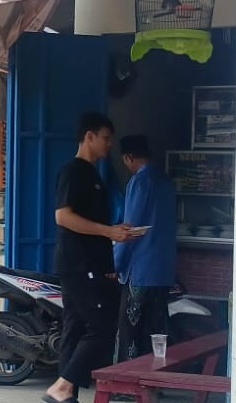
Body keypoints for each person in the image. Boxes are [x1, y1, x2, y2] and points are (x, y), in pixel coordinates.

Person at [44, 113, 139, 403]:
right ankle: (62, 385)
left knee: (74, 327)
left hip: (91, 264)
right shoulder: (74, 171)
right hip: (78, 264)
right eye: (106, 138)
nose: (110, 144)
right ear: (89, 136)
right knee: (103, 325)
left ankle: (66, 394)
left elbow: (93, 227)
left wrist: (108, 260)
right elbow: (63, 217)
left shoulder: (95, 175)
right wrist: (109, 231)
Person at [114, 135, 179, 361]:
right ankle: (156, 383)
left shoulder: (139, 182)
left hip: (140, 271)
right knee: (157, 333)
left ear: (128, 157)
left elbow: (129, 229)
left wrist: (116, 264)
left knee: (131, 331)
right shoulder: (166, 181)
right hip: (163, 271)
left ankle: (127, 389)